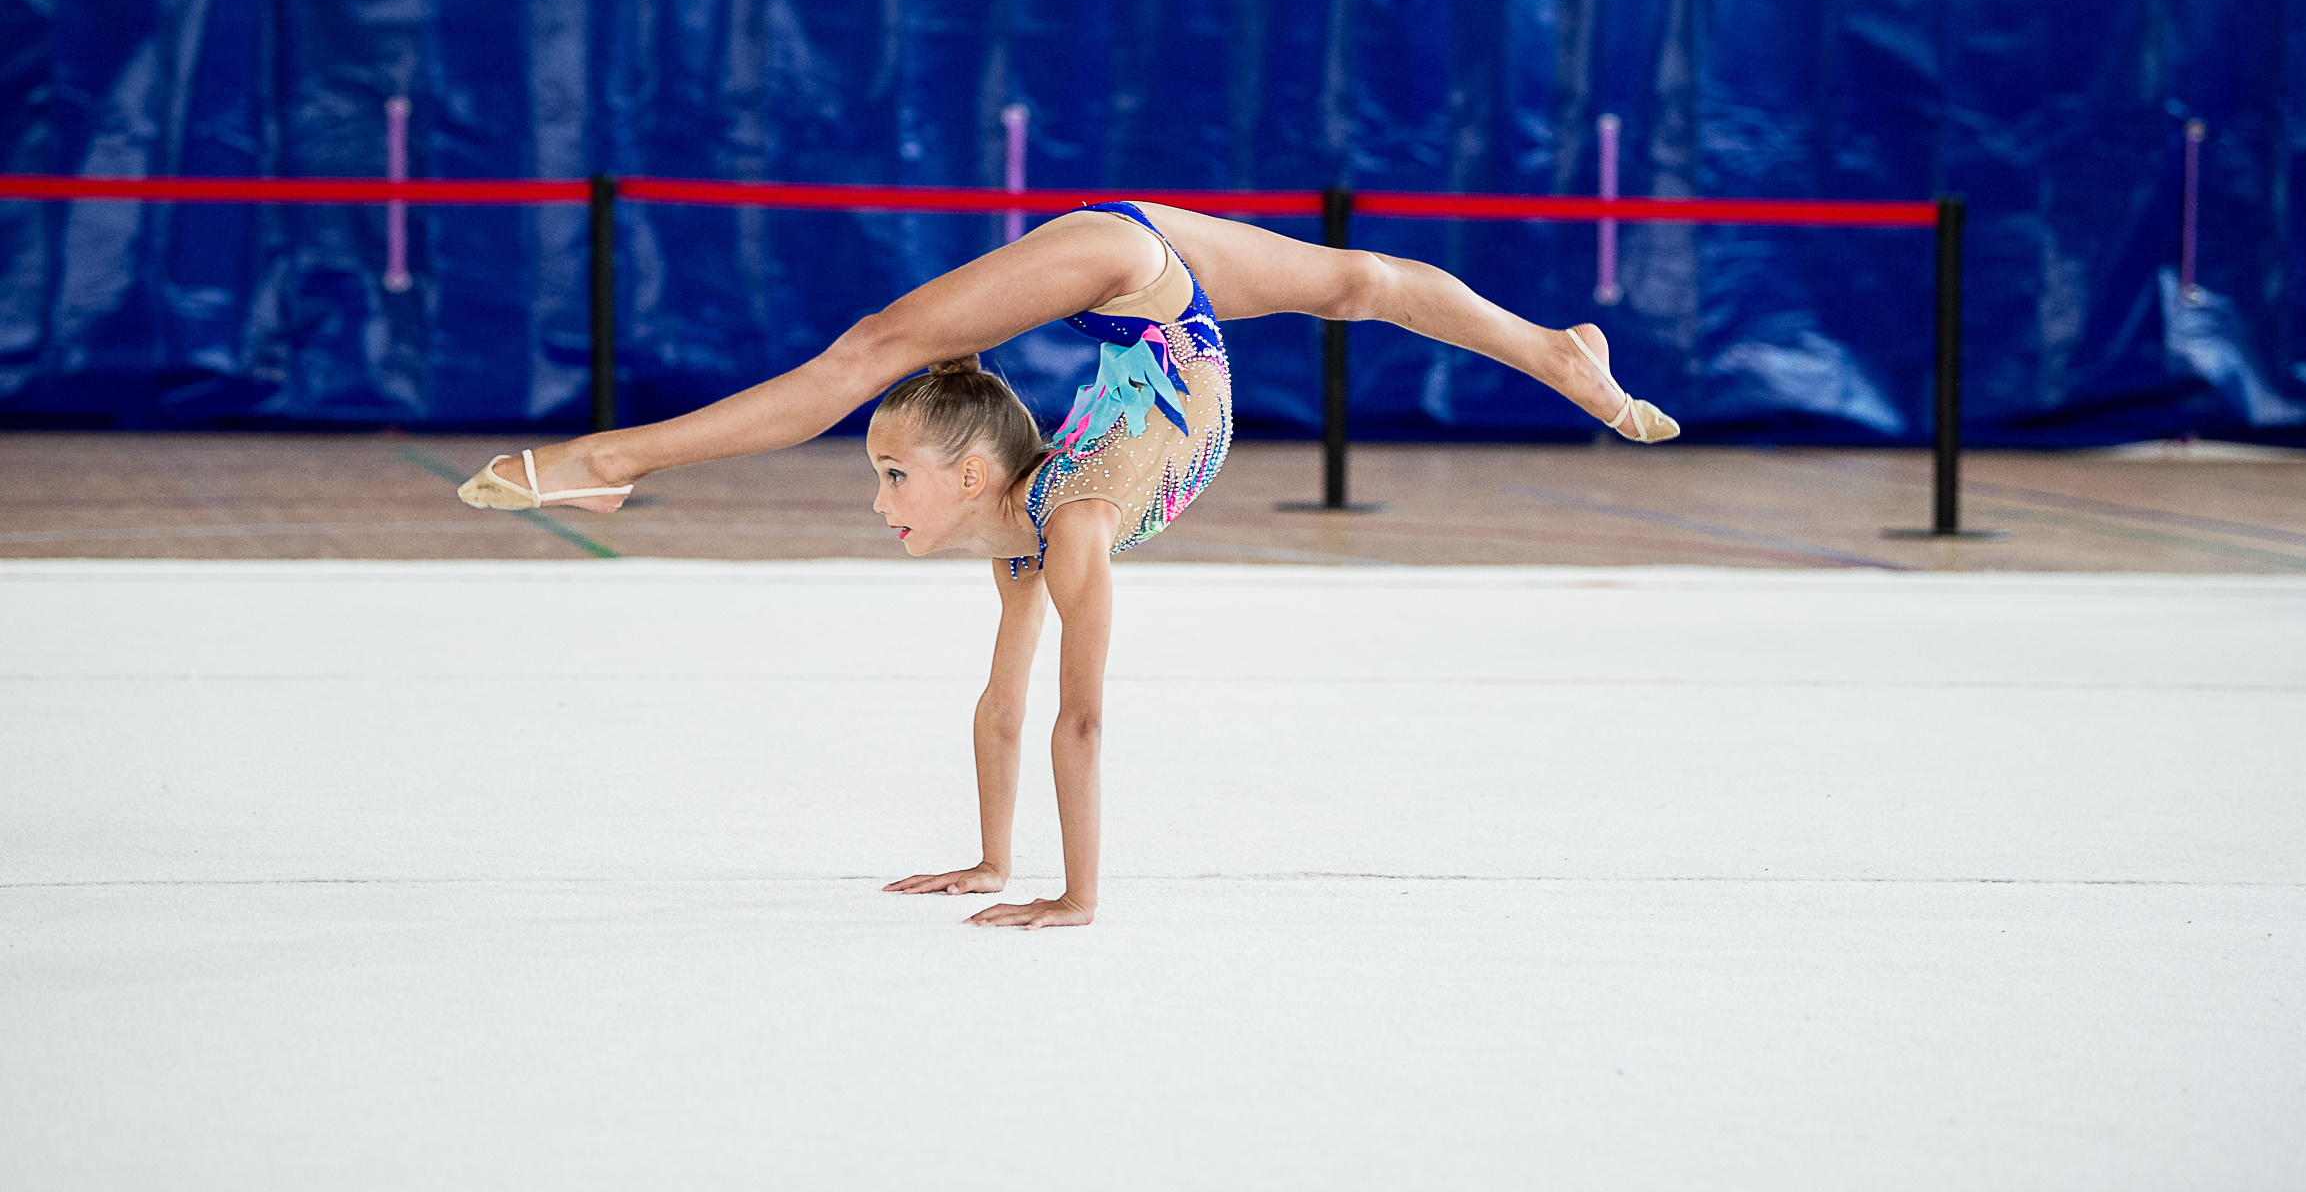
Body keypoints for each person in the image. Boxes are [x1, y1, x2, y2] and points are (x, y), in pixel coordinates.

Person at [454, 200, 1676, 928]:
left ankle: (606, 457)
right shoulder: (1025, 530)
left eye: (895, 476)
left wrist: (1074, 895)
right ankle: (1560, 354)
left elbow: (1079, 726)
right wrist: (991, 860)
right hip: (1154, 301)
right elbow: (1002, 706)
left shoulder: (1070, 527)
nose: (878, 498)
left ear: (974, 476)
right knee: (1356, 282)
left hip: (1132, 274)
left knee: (870, 350)